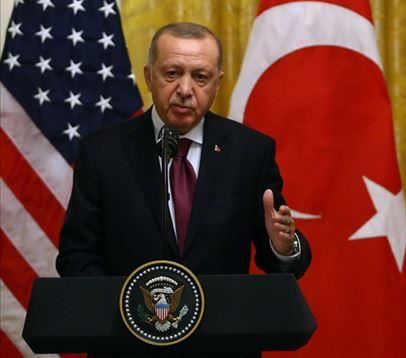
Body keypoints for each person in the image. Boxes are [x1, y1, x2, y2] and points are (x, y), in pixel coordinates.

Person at [57, 22, 311, 277]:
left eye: (200, 77)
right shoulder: (102, 153)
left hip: (222, 304)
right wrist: (119, 300)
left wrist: (284, 248)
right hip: (129, 302)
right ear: (149, 77)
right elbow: (77, 255)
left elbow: (281, 258)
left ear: (217, 83)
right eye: (172, 74)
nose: (185, 90)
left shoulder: (250, 153)